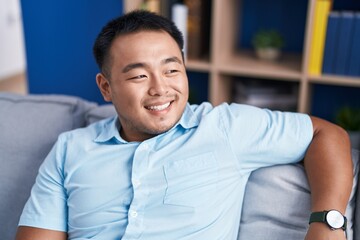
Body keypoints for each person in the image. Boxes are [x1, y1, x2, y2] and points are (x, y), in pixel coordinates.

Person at [16, 10, 353, 240]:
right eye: (138, 75)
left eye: (172, 70)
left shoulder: (225, 127)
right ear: (106, 87)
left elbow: (326, 134)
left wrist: (328, 223)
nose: (160, 88)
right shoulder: (71, 149)